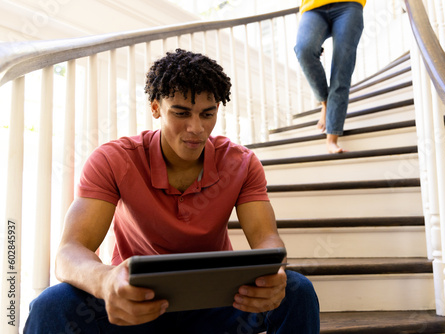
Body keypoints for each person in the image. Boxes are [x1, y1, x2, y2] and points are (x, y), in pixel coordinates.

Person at [23, 49, 320, 333]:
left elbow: (266, 238)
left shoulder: (241, 163)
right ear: (156, 108)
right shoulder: (114, 159)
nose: (196, 128)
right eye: (181, 113)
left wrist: (273, 273)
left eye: (207, 114)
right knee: (52, 304)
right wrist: (106, 281)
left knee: (296, 290)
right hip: (136, 303)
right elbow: (70, 251)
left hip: (214, 302)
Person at [294, 0, 365, 153]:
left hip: (349, 5)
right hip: (313, 6)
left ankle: (331, 139)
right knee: (304, 49)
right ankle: (326, 104)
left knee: (342, 69)